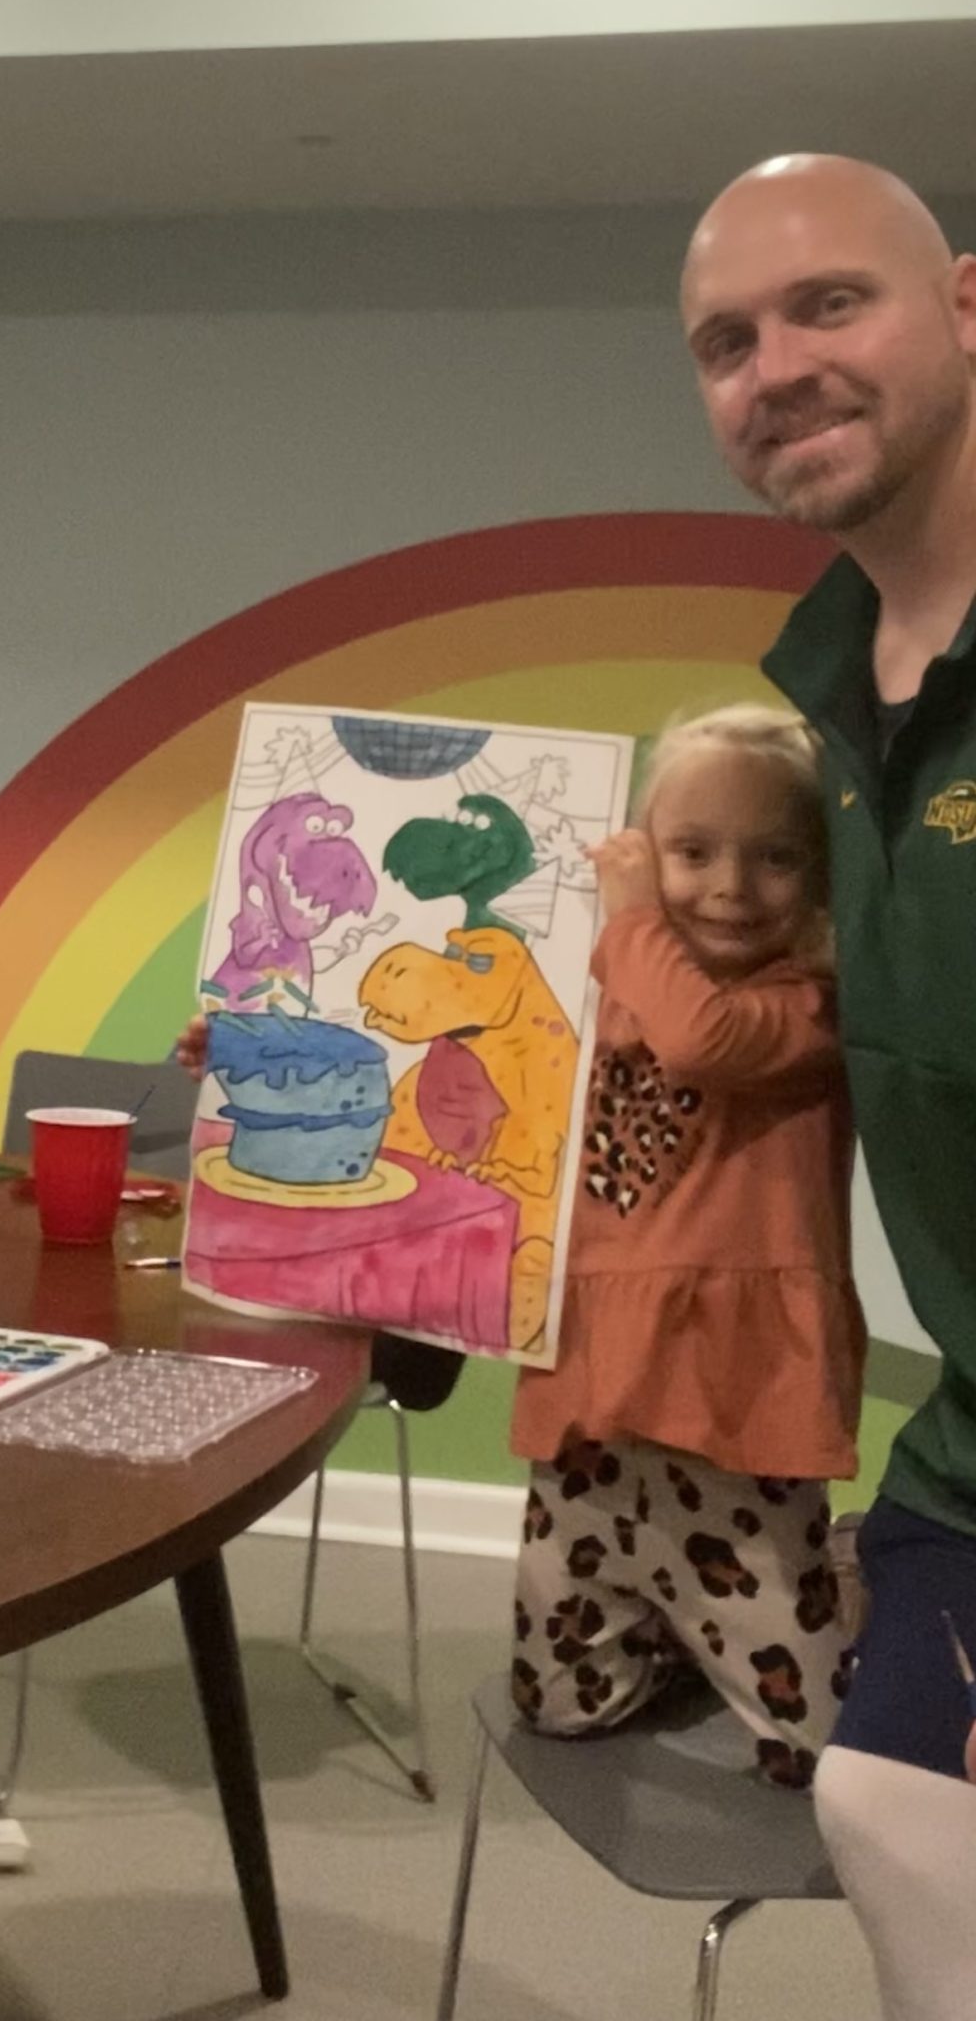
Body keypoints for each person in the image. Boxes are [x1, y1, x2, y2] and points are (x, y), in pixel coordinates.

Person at [681, 153, 976, 2012]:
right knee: (887, 1815)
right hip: (959, 1453)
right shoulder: (827, 710)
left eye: (828, 305)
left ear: (964, 307)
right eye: (726, 340)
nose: (774, 365)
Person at [507, 703, 860, 1786]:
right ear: (645, 850)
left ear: (821, 875)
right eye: (692, 851)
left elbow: (701, 1038)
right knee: (561, 1707)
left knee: (816, 1752)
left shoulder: (809, 1006)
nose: (729, 886)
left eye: (775, 857)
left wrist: (626, 916)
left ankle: (844, 1575)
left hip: (734, 1398)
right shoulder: (609, 990)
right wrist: (248, 1047)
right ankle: (665, 1627)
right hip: (595, 1388)